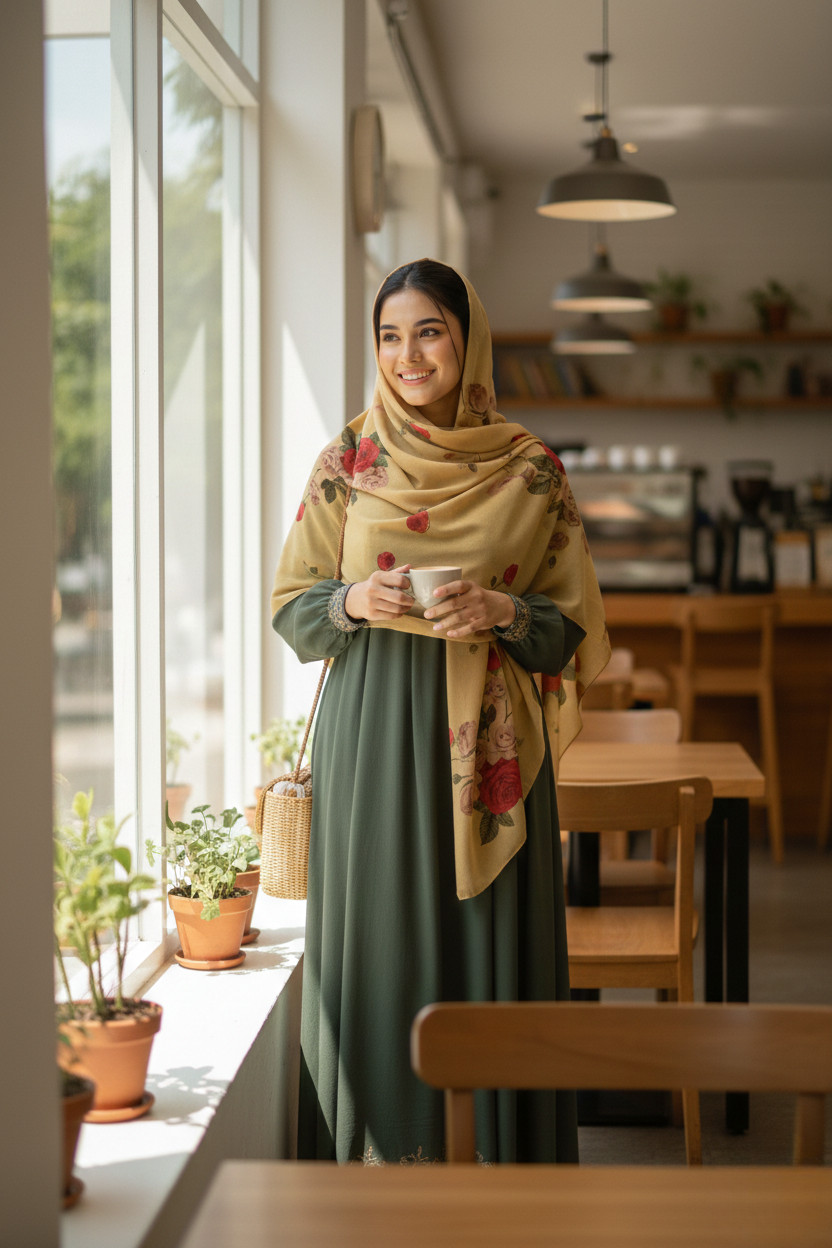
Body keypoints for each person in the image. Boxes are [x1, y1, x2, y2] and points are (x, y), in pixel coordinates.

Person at [271, 258, 609, 1164]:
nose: (408, 354)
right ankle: (379, 1170)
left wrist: (504, 611)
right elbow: (291, 602)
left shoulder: (533, 468)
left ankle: (504, 1166)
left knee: (487, 943)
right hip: (376, 728)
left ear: (467, 338)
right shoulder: (348, 458)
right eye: (390, 335)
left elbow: (572, 626)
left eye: (429, 331)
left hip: (490, 737)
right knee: (380, 945)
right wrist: (352, 603)